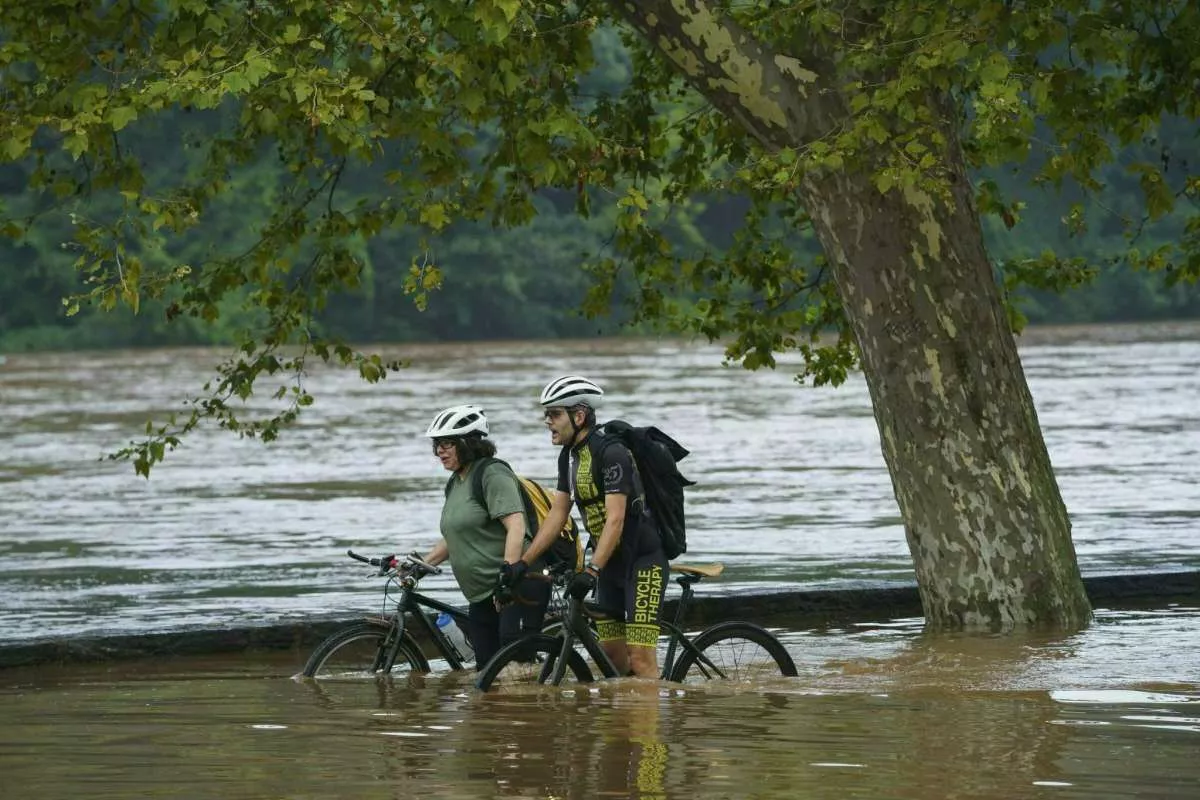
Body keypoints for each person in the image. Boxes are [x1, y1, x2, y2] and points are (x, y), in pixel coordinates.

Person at [514, 376, 669, 678]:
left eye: (554, 414)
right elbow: (557, 516)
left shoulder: (611, 453)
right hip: (608, 563)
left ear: (579, 416)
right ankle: (625, 721)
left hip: (642, 560)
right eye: (547, 414)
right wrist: (523, 562)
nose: (548, 421)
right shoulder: (568, 458)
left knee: (639, 657)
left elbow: (616, 519)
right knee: (611, 658)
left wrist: (591, 570)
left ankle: (649, 723)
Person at [417, 404, 549, 669]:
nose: (439, 451)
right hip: (482, 595)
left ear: (468, 443)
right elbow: (455, 537)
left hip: (514, 586)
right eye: (436, 445)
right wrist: (421, 564)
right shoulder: (455, 482)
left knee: (517, 667)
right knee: (488, 674)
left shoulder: (492, 474)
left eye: (447, 444)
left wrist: (507, 576)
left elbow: (516, 525)